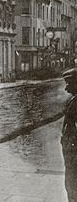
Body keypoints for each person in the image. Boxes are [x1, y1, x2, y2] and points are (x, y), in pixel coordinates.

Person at [62, 68, 77, 201]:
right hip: (71, 152)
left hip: (74, 154)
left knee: (72, 185)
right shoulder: (73, 101)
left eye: (69, 83)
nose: (66, 88)